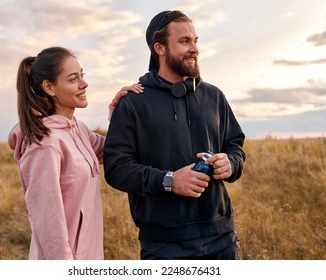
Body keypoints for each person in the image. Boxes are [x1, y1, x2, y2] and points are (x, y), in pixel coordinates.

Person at [103, 11, 246, 260]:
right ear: (159, 48)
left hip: (221, 238)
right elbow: (117, 169)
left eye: (195, 40)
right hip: (164, 246)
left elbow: (235, 146)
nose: (194, 48)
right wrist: (169, 180)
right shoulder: (133, 103)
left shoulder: (214, 96)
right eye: (184, 41)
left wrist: (230, 163)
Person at [8, 46, 143, 260]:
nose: (84, 84)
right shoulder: (45, 144)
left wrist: (120, 112)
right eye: (73, 79)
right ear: (50, 88)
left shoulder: (78, 129)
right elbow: (47, 221)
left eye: (82, 75)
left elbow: (113, 150)